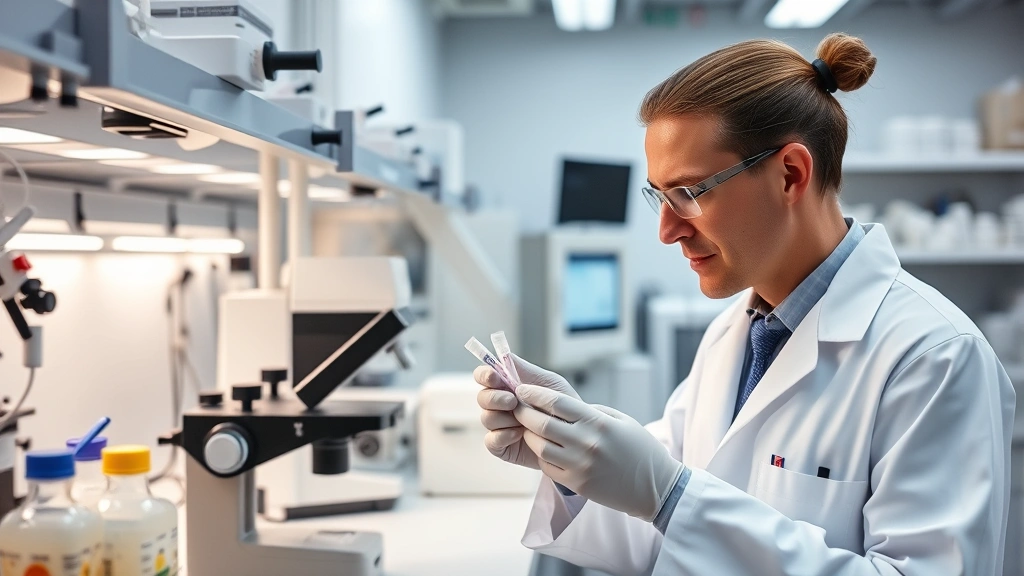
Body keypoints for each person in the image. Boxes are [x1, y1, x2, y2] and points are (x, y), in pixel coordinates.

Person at [475, 33, 1015, 575]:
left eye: (689, 193)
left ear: (790, 174)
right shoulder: (736, 334)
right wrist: (573, 460)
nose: (667, 231)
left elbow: (675, 501)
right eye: (659, 198)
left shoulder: (936, 358)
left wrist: (669, 495)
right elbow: (661, 530)